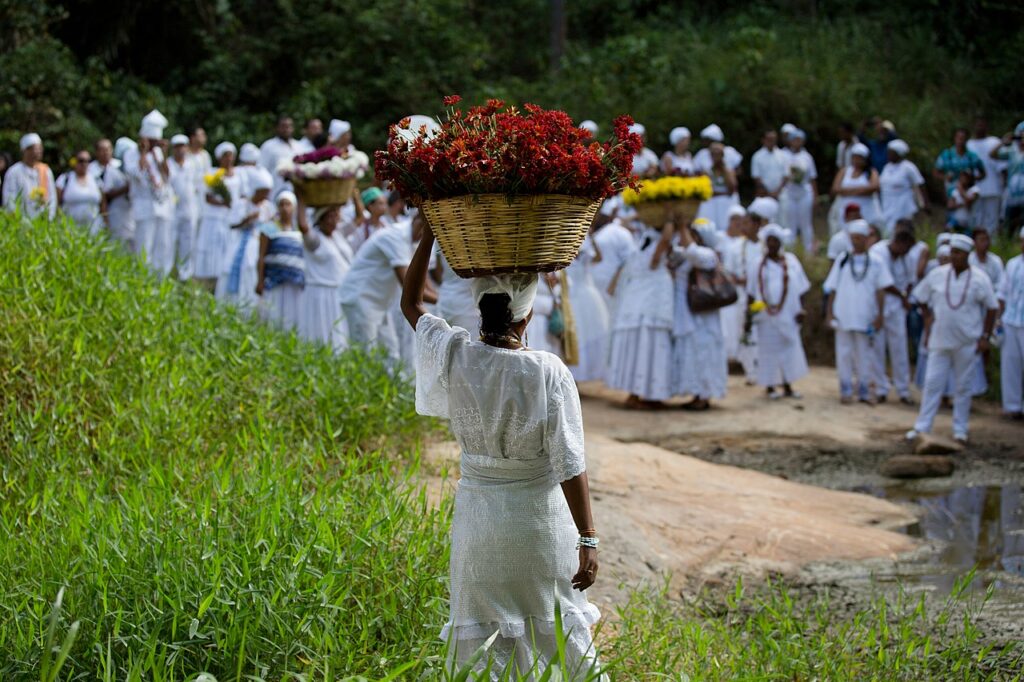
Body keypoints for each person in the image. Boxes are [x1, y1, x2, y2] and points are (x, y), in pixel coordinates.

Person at [400, 228, 603, 679]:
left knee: (485, 645)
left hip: (480, 531)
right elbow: (570, 461)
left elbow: (410, 305)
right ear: (526, 318)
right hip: (539, 528)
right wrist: (587, 537)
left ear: (481, 310)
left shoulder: (456, 355)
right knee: (556, 636)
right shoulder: (548, 370)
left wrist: (431, 235)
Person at [906, 234, 998, 444]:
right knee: (932, 384)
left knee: (963, 387)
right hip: (939, 340)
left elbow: (992, 307)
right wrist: (928, 321)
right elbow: (920, 298)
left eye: (957, 253)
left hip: (967, 342)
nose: (953, 257)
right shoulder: (937, 274)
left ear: (967, 255)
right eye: (951, 252)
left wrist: (985, 336)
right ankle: (922, 426)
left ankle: (960, 429)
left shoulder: (979, 278)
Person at [340, 212, 432, 357]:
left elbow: (422, 280)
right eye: (424, 228)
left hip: (379, 303)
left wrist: (439, 295)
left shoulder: (411, 239)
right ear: (415, 220)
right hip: (360, 299)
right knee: (365, 353)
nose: (423, 233)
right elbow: (409, 286)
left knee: (390, 351)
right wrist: (441, 298)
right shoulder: (395, 237)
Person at [606, 222, 675, 408]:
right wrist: (671, 217)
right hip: (650, 305)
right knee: (648, 346)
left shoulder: (639, 246)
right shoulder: (653, 247)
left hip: (638, 303)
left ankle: (639, 394)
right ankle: (641, 394)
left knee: (640, 347)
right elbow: (665, 240)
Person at [824, 220, 893, 404]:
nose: (856, 242)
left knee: (865, 355)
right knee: (844, 353)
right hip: (843, 315)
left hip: (865, 316)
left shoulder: (877, 262)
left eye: (859, 238)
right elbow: (832, 288)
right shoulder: (843, 259)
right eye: (853, 238)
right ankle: (846, 390)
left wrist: (880, 316)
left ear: (866, 239)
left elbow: (881, 290)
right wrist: (829, 313)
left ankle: (864, 390)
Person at [746, 224, 811, 399]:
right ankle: (770, 386)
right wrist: (748, 317)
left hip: (788, 313)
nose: (772, 244)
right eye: (769, 241)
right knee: (768, 350)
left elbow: (802, 288)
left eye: (775, 240)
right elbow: (751, 292)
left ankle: (788, 385)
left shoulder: (791, 261)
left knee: (789, 348)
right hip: (765, 316)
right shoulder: (758, 264)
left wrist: (801, 309)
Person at [671, 231, 728, 410]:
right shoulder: (683, 255)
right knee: (692, 354)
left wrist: (682, 225)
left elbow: (693, 252)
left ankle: (704, 396)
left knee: (704, 354)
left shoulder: (706, 255)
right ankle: (697, 394)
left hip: (703, 317)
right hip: (688, 314)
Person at [123, 110, 176, 276]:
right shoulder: (131, 154)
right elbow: (137, 173)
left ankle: (160, 278)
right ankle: (142, 278)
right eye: (152, 142)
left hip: (162, 205)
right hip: (144, 206)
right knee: (144, 245)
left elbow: (167, 176)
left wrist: (163, 154)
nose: (154, 145)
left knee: (162, 245)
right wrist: (144, 152)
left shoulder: (158, 154)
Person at [216, 167, 274, 314]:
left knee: (253, 268)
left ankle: (251, 305)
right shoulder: (242, 204)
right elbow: (231, 224)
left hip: (259, 243)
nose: (266, 195)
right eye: (263, 192)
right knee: (239, 267)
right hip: (241, 241)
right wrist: (247, 220)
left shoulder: (267, 207)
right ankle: (233, 303)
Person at [870, 230, 918, 404]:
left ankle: (903, 389)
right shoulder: (878, 252)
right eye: (905, 247)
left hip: (897, 307)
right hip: (878, 303)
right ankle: (881, 388)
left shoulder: (908, 257)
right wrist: (903, 295)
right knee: (878, 347)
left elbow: (911, 280)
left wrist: (906, 297)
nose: (906, 251)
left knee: (899, 347)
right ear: (897, 242)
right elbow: (883, 283)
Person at [295, 202, 352, 350]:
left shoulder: (338, 236)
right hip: (320, 293)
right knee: (320, 332)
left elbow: (359, 219)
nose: (333, 221)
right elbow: (302, 225)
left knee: (338, 335)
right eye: (329, 217)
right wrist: (301, 197)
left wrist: (353, 193)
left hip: (338, 293)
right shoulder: (315, 240)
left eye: (335, 216)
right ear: (320, 220)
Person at [193, 142, 244, 292]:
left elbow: (242, 195)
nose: (228, 159)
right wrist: (223, 203)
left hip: (232, 217)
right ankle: (209, 279)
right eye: (225, 156)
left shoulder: (239, 174)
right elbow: (208, 197)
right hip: (215, 217)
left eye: (230, 156)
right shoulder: (213, 174)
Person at [256, 191, 305, 332]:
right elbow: (261, 256)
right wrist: (260, 280)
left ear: (294, 207)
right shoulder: (269, 229)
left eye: (288, 204)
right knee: (273, 315)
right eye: (281, 204)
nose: (285, 208)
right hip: (274, 280)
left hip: (294, 281)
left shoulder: (298, 231)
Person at [566, 234, 610, 383]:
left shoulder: (585, 256)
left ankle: (580, 376)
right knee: (574, 336)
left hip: (585, 299)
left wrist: (592, 237)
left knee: (586, 335)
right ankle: (572, 376)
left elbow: (599, 257)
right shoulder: (564, 257)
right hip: (571, 298)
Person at [998, 227, 1024, 419]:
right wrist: (999, 319)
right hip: (1010, 320)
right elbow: (1002, 293)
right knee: (1010, 364)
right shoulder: (1013, 264)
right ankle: (1012, 406)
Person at [2, 133, 57, 220]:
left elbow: (52, 197)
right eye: (35, 148)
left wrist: (49, 217)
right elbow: (9, 198)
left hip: (42, 222)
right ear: (25, 151)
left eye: (40, 148)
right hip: (20, 222)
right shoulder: (14, 172)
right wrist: (18, 219)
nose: (39, 151)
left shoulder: (46, 171)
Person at [169, 134, 201, 281]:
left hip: (189, 207)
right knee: (170, 239)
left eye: (183, 146)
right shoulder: (168, 164)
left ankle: (185, 273)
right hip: (172, 208)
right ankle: (168, 269)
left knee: (188, 241)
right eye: (177, 146)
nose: (180, 149)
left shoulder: (192, 164)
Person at [878, 139, 926, 234]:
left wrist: (924, 203)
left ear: (898, 153)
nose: (888, 155)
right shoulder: (887, 167)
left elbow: (920, 183)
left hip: (903, 203)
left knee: (902, 228)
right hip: (887, 202)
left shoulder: (908, 167)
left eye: (891, 152)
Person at [781, 129, 818, 252]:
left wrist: (815, 196)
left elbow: (812, 178)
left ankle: (809, 251)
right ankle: (790, 249)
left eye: (799, 140)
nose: (797, 142)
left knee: (805, 223)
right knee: (789, 222)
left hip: (804, 193)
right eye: (794, 140)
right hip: (789, 192)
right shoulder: (784, 155)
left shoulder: (807, 157)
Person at [830, 143, 880, 233]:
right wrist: (860, 190)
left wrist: (848, 191)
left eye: (859, 158)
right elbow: (836, 188)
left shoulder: (871, 172)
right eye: (855, 158)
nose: (857, 161)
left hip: (866, 210)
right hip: (846, 210)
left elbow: (874, 187)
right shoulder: (844, 171)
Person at [967, 118, 1006, 233]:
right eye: (977, 125)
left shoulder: (994, 142)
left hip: (993, 187)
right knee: (976, 217)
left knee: (992, 218)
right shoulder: (969, 144)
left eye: (982, 125)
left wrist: (1004, 185)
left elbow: (1002, 166)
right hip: (974, 189)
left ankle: (992, 242)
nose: (980, 127)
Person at [589, 215, 636, 310]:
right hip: (610, 285)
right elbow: (629, 261)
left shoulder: (602, 232)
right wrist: (613, 285)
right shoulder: (624, 233)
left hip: (599, 282)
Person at [56, 149, 105, 234]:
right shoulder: (65, 179)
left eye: (87, 161)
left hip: (93, 227)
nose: (84, 164)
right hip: (70, 228)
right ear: (74, 161)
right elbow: (57, 203)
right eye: (81, 161)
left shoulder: (96, 180)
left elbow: (103, 203)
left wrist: (106, 222)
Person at [695, 142, 738, 233]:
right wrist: (722, 193)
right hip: (711, 206)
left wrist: (724, 169)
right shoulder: (707, 172)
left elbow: (732, 189)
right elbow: (707, 191)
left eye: (718, 154)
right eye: (713, 154)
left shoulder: (729, 171)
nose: (716, 157)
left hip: (725, 206)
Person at [991, 122, 1024, 235]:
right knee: (1009, 222)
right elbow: (992, 154)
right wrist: (1003, 142)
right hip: (1012, 193)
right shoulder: (1012, 151)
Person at [934, 127, 985, 195]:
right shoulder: (946, 155)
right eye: (959, 137)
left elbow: (983, 173)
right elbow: (936, 172)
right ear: (954, 138)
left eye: (963, 138)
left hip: (968, 191)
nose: (960, 140)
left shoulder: (972, 156)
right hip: (951, 190)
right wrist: (945, 177)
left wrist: (971, 178)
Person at [260, 116, 301, 196]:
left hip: (296, 192)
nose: (286, 129)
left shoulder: (299, 146)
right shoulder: (268, 146)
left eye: (289, 126)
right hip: (274, 192)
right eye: (283, 126)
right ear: (277, 128)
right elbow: (262, 170)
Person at [348, 186, 388, 252]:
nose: (384, 207)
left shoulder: (386, 225)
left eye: (385, 203)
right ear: (370, 206)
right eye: (381, 203)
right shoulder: (361, 228)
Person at [751, 129, 788, 199]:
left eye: (774, 139)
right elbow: (756, 177)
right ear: (763, 140)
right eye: (769, 139)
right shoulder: (757, 156)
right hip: (763, 195)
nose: (772, 141)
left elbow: (786, 176)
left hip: (781, 195)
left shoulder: (783, 155)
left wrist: (777, 192)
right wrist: (768, 193)